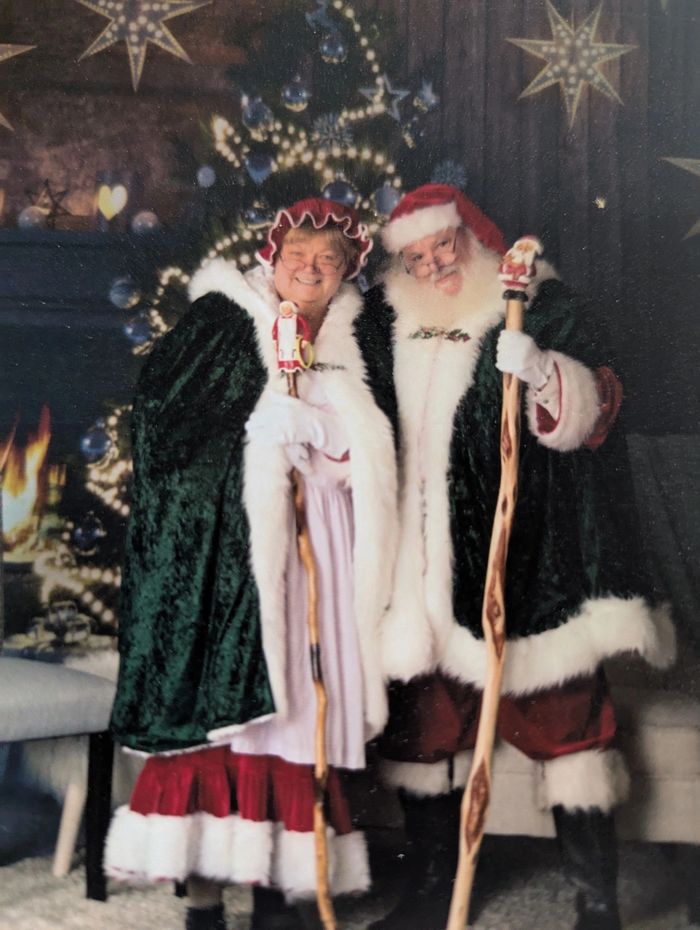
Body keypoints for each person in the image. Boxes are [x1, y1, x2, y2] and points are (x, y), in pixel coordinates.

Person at [360, 184, 676, 930]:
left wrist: (540, 371)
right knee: (424, 728)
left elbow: (602, 405)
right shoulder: (388, 322)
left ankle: (596, 899)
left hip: (524, 556)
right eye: (416, 255)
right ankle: (434, 885)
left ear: (471, 239)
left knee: (565, 723)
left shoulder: (534, 302)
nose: (434, 264)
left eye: (444, 247)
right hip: (420, 564)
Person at [104, 198, 398, 930]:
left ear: (343, 278)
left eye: (328, 262)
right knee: (226, 722)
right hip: (228, 559)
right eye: (298, 253)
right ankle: (204, 899)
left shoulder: (358, 347)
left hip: (318, 553)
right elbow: (164, 424)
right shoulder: (223, 323)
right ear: (272, 256)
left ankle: (277, 893)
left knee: (295, 710)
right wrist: (257, 434)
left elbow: (375, 457)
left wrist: (323, 440)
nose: (310, 268)